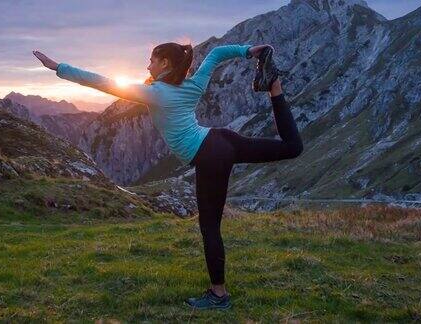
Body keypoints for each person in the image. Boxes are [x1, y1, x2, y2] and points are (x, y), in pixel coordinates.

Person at [33, 43, 303, 310]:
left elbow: (103, 83)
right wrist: (249, 50)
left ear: (164, 64)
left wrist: (58, 67)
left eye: (151, 59)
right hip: (222, 140)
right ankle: (274, 87)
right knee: (292, 147)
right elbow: (216, 54)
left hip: (210, 156)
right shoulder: (191, 86)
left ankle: (218, 295)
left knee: (210, 227)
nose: (147, 65)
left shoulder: (157, 93)